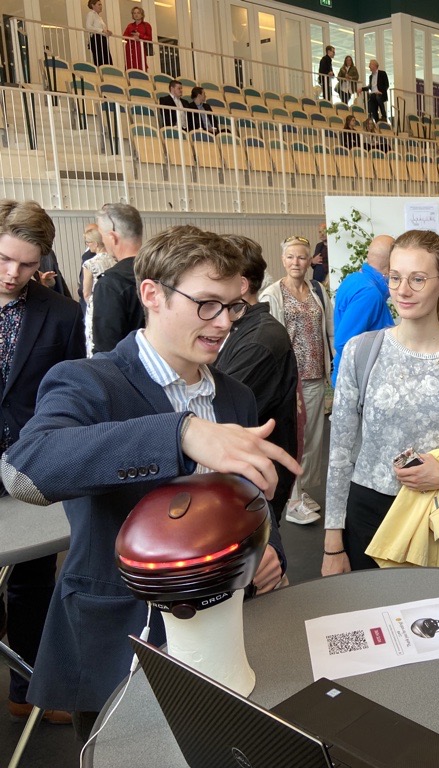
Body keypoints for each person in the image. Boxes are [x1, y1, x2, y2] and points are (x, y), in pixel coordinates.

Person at [1, 225, 298, 740]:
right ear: (151, 294)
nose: (224, 322)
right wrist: (178, 432)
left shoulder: (236, 397)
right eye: (207, 303)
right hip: (120, 639)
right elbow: (26, 468)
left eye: (233, 306)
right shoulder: (89, 381)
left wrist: (264, 553)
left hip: (224, 635)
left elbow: (249, 501)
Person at [324, 230, 439, 574]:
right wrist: (332, 543)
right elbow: (341, 449)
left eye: (418, 279)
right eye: (395, 277)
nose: (403, 290)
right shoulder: (361, 351)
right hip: (369, 511)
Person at [0, 200, 85, 727]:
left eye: (27, 265)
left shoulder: (61, 313)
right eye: (5, 259)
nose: (14, 274)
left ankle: (28, 684)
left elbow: (73, 392)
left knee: (34, 583)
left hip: (30, 467)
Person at [215, 235, 299, 526]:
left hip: (254, 484)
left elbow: (217, 413)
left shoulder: (260, 341)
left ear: (240, 285)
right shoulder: (237, 329)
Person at [260, 236, 333, 525]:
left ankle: (299, 490)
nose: (296, 262)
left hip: (315, 376)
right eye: (290, 257)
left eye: (301, 257)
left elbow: (329, 330)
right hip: (290, 381)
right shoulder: (272, 294)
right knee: (295, 440)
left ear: (310, 260)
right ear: (283, 259)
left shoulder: (317, 290)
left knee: (314, 439)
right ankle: (291, 499)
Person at [331, 234, 394, 386]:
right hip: (357, 383)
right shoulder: (369, 293)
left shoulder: (355, 279)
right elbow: (344, 343)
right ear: (391, 265)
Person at [91, 202, 145, 354]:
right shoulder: (162, 273)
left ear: (112, 237)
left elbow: (106, 346)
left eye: (102, 236)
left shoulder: (110, 285)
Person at [80, 226, 115, 356]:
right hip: (114, 304)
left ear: (95, 243)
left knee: (93, 340)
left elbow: (86, 292)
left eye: (88, 243)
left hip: (96, 304)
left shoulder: (89, 264)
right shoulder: (116, 260)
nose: (88, 246)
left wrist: (90, 304)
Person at [122, 6, 152, 72]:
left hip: (140, 48)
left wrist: (140, 35)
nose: (136, 14)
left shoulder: (146, 25)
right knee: (129, 63)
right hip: (130, 48)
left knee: (140, 64)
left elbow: (149, 38)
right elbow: (124, 36)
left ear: (142, 14)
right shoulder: (130, 25)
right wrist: (132, 38)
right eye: (134, 13)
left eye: (138, 13)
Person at [84, 0, 112, 66]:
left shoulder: (99, 17)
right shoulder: (91, 14)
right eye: (99, 4)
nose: (101, 6)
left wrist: (107, 31)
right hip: (97, 38)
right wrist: (101, 30)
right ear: (93, 5)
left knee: (106, 59)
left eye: (101, 4)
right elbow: (88, 27)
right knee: (100, 58)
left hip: (102, 39)